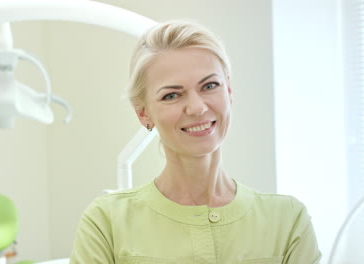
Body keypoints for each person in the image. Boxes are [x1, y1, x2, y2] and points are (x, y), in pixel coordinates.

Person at [69, 20, 321, 264]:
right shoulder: (107, 222)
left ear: (229, 92)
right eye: (171, 95)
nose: (197, 107)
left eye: (209, 85)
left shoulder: (287, 221)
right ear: (143, 113)